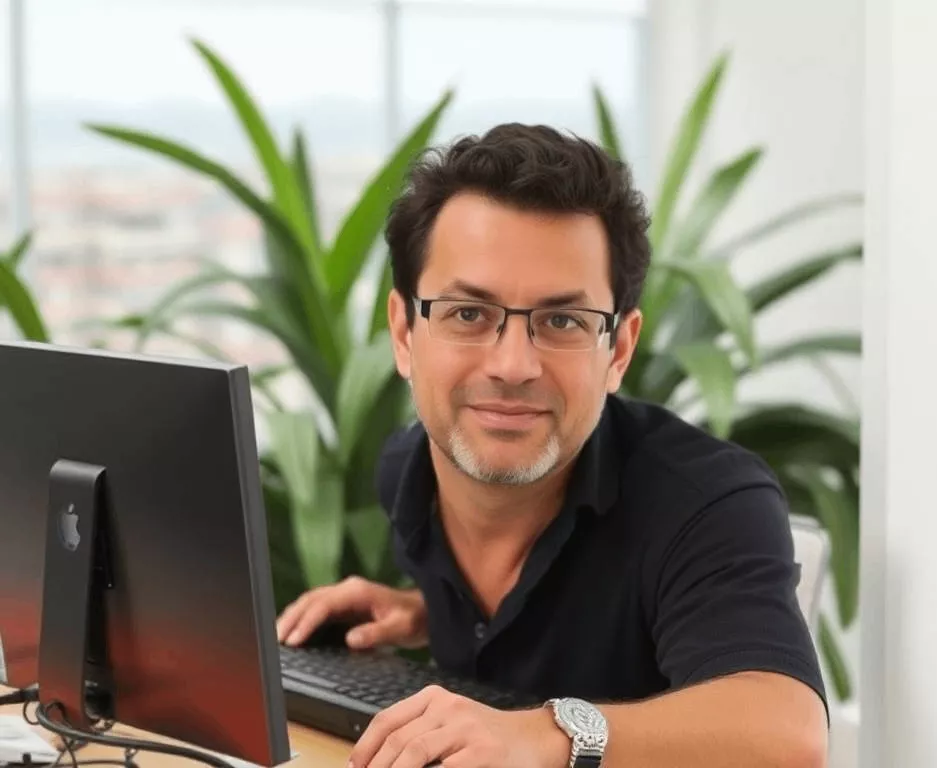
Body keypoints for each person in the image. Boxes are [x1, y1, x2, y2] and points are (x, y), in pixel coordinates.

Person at [276, 124, 829, 768]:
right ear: (404, 334)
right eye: (468, 314)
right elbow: (548, 607)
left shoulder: (706, 502)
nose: (513, 365)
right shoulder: (411, 471)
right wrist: (427, 611)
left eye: (563, 320)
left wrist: (548, 734)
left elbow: (789, 733)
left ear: (618, 350)